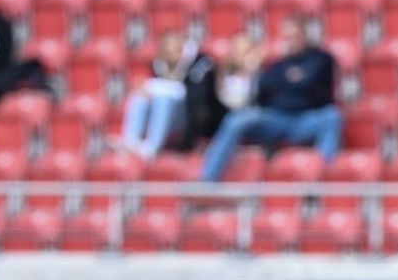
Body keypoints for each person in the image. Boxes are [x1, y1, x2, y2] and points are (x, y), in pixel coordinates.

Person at [199, 18, 342, 181]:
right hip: (277, 118)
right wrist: (290, 80)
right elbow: (263, 87)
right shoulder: (279, 64)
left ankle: (323, 181)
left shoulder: (321, 59)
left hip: (307, 118)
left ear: (305, 35)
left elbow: (309, 81)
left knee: (332, 116)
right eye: (287, 37)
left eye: (294, 36)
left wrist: (286, 83)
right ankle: (207, 180)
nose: (290, 41)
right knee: (237, 120)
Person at [112, 31, 197, 160]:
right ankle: (130, 140)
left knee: (163, 99)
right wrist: (147, 89)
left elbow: (181, 92)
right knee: (140, 96)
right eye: (169, 49)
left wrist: (151, 88)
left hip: (182, 119)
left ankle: (153, 147)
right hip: (158, 114)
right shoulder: (156, 66)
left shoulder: (192, 68)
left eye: (177, 48)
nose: (173, 53)